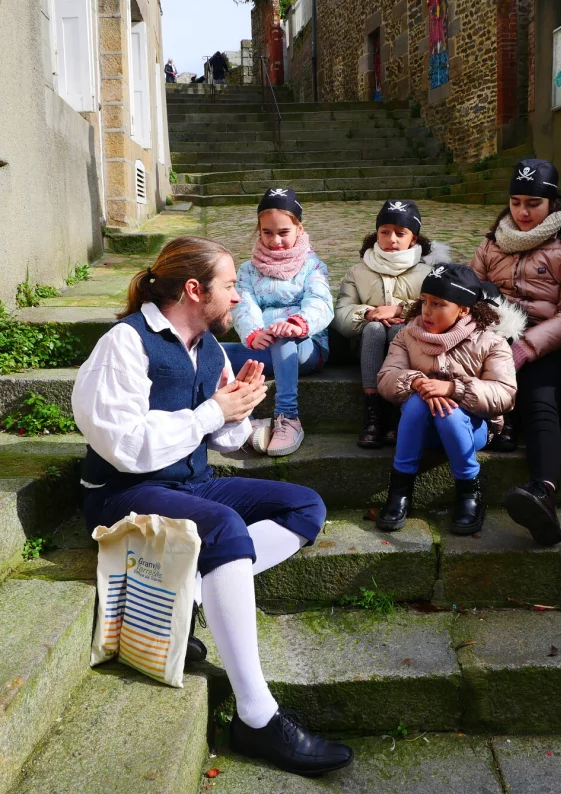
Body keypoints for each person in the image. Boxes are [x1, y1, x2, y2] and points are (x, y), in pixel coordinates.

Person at [71, 235, 353, 777]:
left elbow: (222, 441)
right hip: (121, 496)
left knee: (305, 506)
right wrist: (210, 413)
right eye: (229, 287)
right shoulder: (124, 344)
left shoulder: (210, 346)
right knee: (224, 528)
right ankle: (255, 716)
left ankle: (187, 597)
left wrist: (238, 411)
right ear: (195, 289)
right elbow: (124, 444)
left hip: (189, 485)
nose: (238, 298)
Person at [470, 159, 561, 546]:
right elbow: (470, 293)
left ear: (553, 203)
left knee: (540, 398)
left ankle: (543, 492)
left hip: (548, 341)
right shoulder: (492, 242)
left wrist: (526, 348)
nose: (522, 212)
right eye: (516, 202)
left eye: (533, 204)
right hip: (496, 336)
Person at [376, 264, 522, 534]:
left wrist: (454, 389)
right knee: (420, 401)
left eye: (438, 304)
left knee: (449, 411)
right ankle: (400, 491)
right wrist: (417, 382)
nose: (427, 311)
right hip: (419, 427)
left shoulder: (491, 341)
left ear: (464, 309)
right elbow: (386, 377)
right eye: (424, 302)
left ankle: (469, 493)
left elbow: (505, 394)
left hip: (472, 428)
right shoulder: (407, 335)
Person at [223, 189, 333, 456]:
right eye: (267, 232)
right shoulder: (248, 270)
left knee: (284, 335)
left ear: (298, 228)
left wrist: (297, 324)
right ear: (259, 231)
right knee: (206, 351)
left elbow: (321, 301)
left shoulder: (312, 265)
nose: (275, 240)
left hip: (305, 349)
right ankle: (241, 421)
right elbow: (243, 304)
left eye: (283, 232)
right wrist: (253, 333)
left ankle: (288, 417)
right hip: (261, 348)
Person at [333, 200, 451, 448]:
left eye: (400, 233)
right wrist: (368, 314)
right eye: (384, 232)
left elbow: (440, 308)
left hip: (414, 347)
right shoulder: (357, 272)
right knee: (376, 328)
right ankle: (373, 412)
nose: (391, 239)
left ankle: (398, 409)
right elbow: (341, 312)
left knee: (399, 328)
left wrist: (401, 309)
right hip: (368, 347)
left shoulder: (428, 273)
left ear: (414, 239)